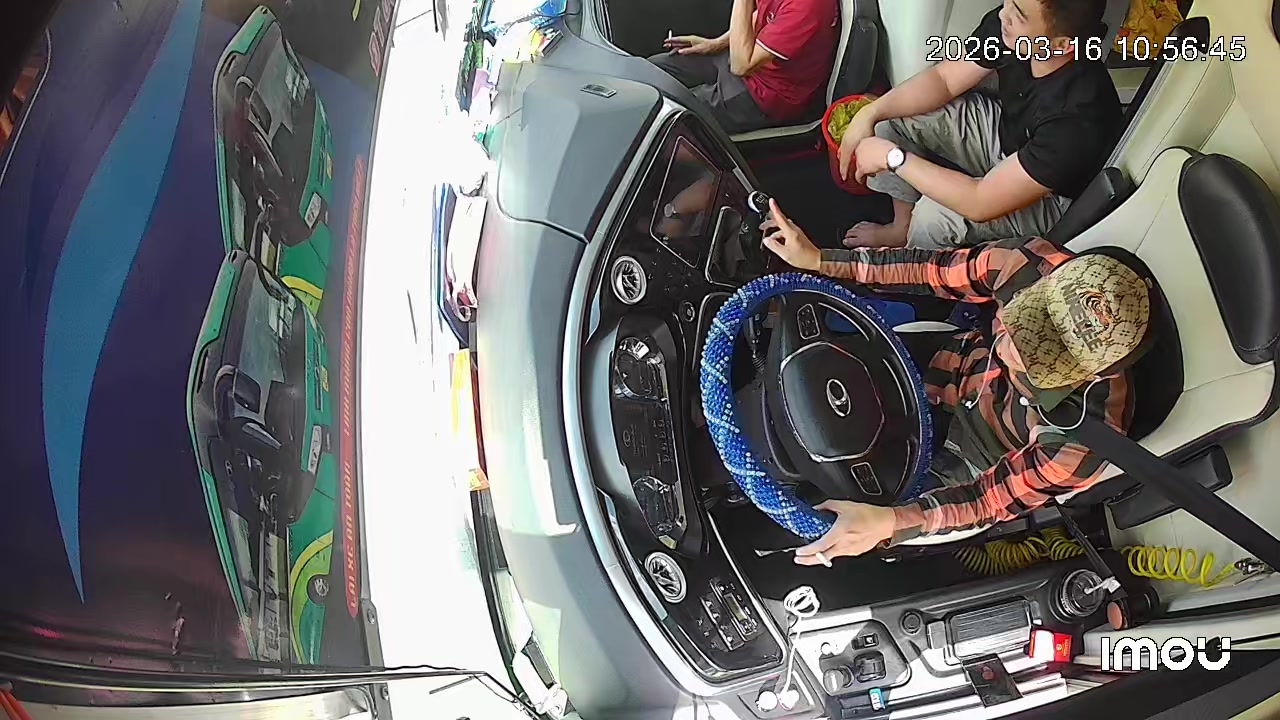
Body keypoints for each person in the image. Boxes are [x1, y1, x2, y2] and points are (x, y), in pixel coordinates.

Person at [759, 199, 1151, 562]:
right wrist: (821, 260)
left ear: (1092, 375)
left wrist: (891, 523)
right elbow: (932, 269)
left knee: (845, 528)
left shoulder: (1080, 443)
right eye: (1026, 320)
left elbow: (987, 501)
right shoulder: (1026, 266)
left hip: (975, 458)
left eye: (1040, 359)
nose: (1010, 349)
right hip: (950, 361)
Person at [838, 0, 1123, 250]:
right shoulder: (1010, 30)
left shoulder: (1076, 119)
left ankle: (910, 275)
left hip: (1048, 195)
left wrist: (892, 158)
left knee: (933, 218)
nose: (1003, 14)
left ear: (1062, 45)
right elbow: (944, 80)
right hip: (1005, 134)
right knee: (889, 118)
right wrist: (871, 112)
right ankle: (901, 228)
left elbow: (979, 201)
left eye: (1019, 15)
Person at [650, 0, 838, 134]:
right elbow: (762, 17)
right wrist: (715, 44)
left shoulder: (807, 6)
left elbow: (740, 66)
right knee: (654, 69)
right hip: (747, 56)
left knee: (667, 114)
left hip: (765, 93)